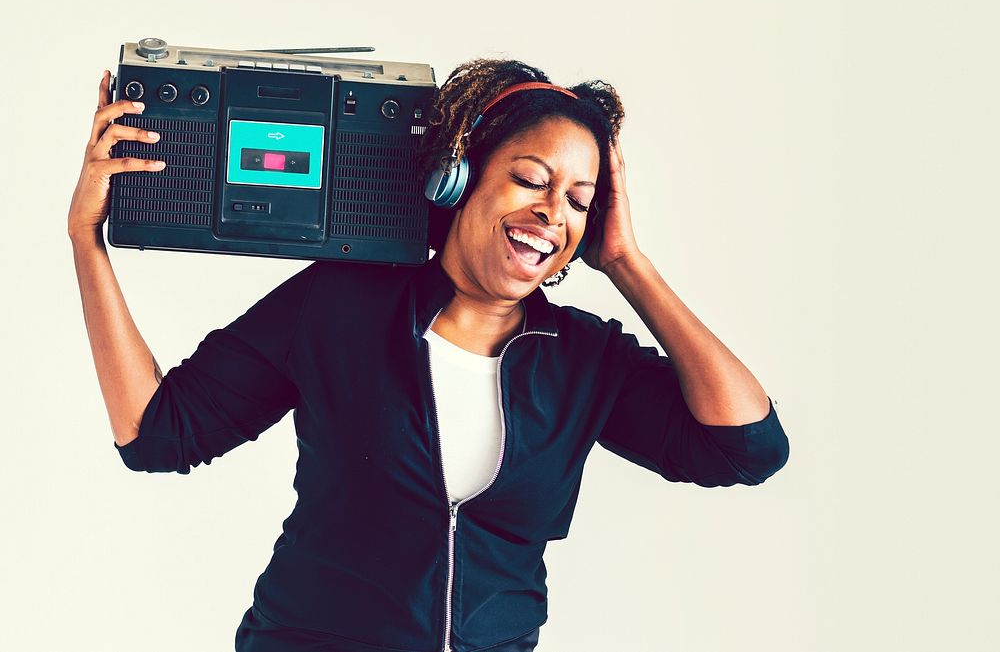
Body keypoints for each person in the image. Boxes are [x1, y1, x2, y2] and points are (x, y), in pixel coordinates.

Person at [69, 58, 790, 652]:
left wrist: (629, 262)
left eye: (580, 199)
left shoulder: (583, 360)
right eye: (532, 180)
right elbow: (156, 432)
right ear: (459, 174)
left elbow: (747, 447)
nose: (553, 213)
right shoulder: (338, 306)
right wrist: (87, 243)